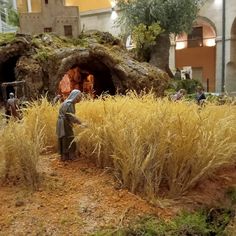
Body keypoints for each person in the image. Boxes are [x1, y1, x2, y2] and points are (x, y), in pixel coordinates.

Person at [56, 89, 86, 161]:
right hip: (65, 123)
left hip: (61, 122)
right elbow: (71, 116)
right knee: (70, 138)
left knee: (63, 138)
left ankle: (64, 156)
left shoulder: (66, 103)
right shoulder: (69, 104)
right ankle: (71, 156)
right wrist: (81, 123)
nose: (80, 99)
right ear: (75, 96)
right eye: (79, 97)